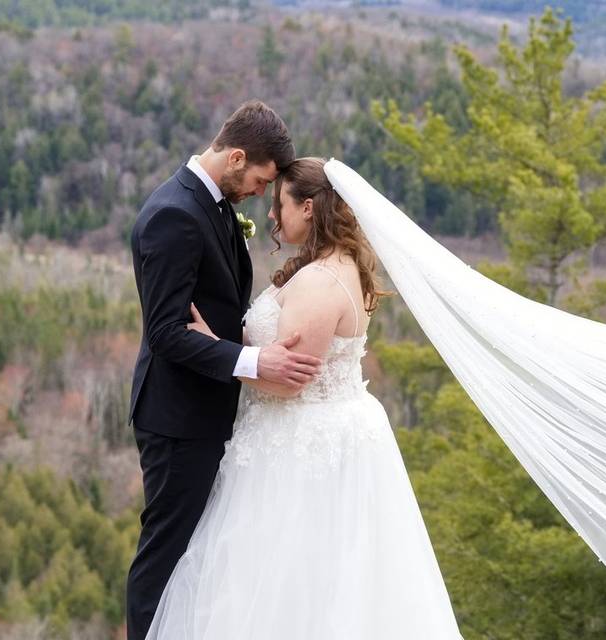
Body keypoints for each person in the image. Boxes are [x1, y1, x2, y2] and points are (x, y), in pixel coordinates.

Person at [145, 157, 462, 638]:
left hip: (296, 446)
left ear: (309, 207)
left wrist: (214, 349)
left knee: (285, 586)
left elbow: (286, 381)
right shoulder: (337, 266)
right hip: (309, 435)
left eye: (280, 203)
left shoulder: (320, 282)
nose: (273, 216)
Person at [126, 102, 323, 640]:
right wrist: (255, 361)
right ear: (236, 157)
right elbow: (166, 332)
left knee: (199, 555)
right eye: (260, 180)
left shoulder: (211, 204)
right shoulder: (174, 213)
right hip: (177, 418)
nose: (262, 193)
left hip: (208, 412)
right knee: (166, 556)